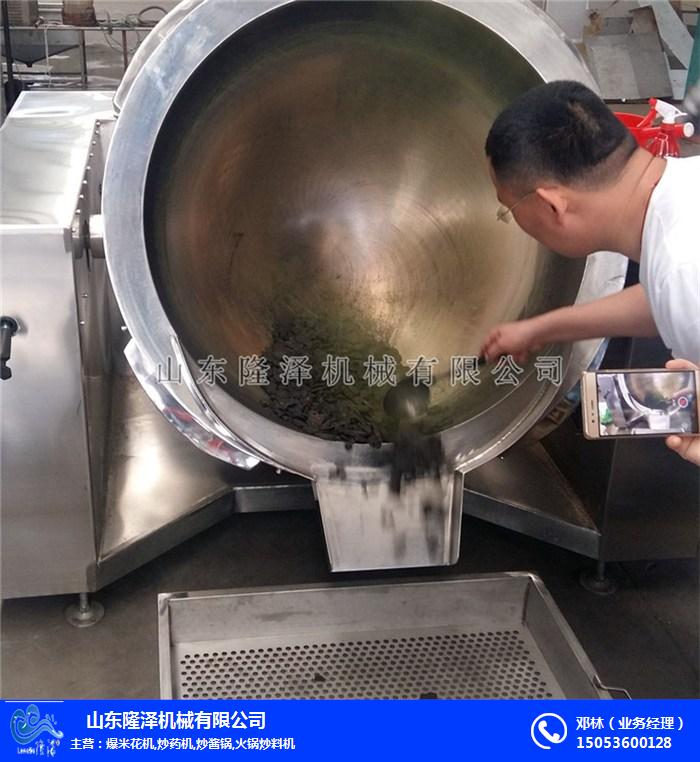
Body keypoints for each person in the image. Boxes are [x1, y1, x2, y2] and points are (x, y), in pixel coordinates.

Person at [480, 80, 700, 464]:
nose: (514, 220)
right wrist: (540, 329)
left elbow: (679, 291)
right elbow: (659, 301)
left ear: (552, 206)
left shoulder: (683, 269)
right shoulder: (683, 190)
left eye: (508, 210)